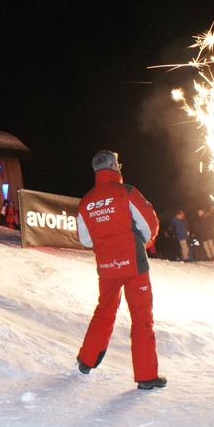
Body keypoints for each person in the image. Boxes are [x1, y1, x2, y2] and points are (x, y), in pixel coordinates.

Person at [75, 150, 166, 390]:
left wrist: (107, 246)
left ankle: (86, 360)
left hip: (106, 268)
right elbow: (150, 224)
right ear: (115, 167)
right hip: (134, 265)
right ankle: (146, 376)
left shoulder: (86, 201)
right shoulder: (126, 192)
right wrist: (140, 244)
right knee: (141, 318)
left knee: (104, 311)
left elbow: (85, 240)